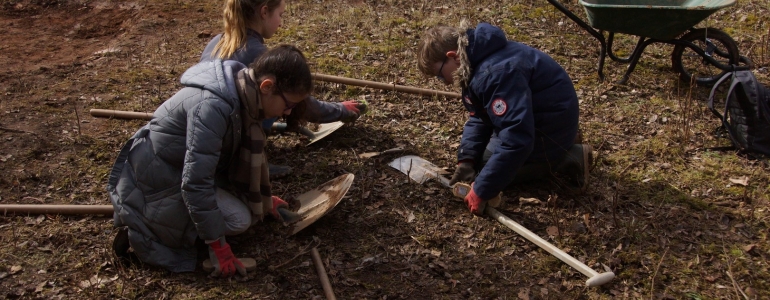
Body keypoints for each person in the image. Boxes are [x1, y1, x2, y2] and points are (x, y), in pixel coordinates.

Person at [108, 45, 312, 277]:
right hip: (153, 186)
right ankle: (148, 225)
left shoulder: (243, 92)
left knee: (243, 212)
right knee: (239, 220)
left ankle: (184, 221)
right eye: (289, 105)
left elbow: (221, 160)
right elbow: (195, 183)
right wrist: (218, 246)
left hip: (177, 171)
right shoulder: (213, 107)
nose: (287, 113)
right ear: (267, 87)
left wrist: (262, 199)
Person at [416, 22, 592, 216]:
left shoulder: (494, 74)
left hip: (549, 126)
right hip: (543, 118)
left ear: (452, 56)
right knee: (480, 163)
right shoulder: (476, 60)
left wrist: (483, 188)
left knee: (486, 168)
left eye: (440, 76)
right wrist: (466, 159)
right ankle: (561, 142)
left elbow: (517, 138)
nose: (445, 82)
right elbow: (480, 116)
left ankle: (567, 157)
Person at [200, 0, 367, 178]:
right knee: (274, 98)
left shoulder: (218, 41)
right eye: (280, 15)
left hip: (210, 129)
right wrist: (340, 110)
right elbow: (301, 102)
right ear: (264, 12)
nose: (281, 22)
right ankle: (250, 162)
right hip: (227, 141)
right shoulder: (256, 53)